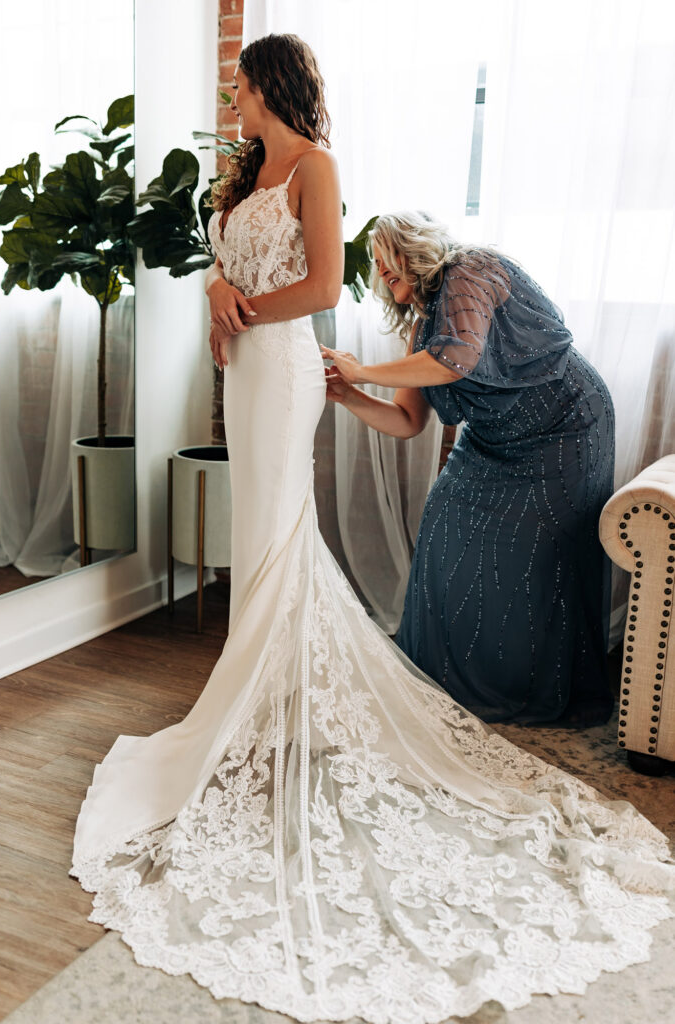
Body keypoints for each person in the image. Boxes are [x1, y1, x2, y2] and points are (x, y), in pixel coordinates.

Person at [71, 36, 674, 1024]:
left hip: (514, 421)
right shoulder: (244, 175)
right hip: (269, 371)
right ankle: (265, 697)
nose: (382, 283)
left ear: (271, 83)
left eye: (387, 270)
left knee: (281, 532)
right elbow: (400, 415)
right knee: (287, 534)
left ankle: (292, 700)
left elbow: (324, 303)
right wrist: (252, 315)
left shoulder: (442, 262)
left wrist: (306, 345)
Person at [323, 211, 616, 726]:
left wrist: (361, 368)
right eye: (375, 266)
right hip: (493, 441)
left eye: (384, 255)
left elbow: (457, 357)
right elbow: (407, 420)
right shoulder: (421, 329)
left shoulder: (471, 270)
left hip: (565, 428)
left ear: (413, 247)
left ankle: (528, 684)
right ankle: (445, 678)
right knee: (444, 524)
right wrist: (350, 394)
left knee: (545, 560)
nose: (378, 270)